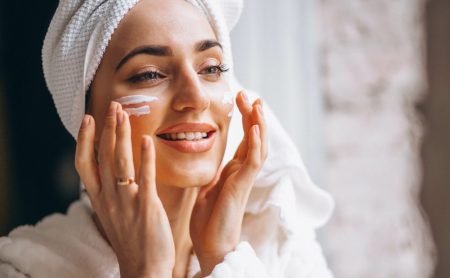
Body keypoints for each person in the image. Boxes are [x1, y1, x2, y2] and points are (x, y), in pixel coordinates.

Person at [0, 0, 334, 277]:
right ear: (88, 121)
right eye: (149, 74)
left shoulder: (284, 251)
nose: (196, 96)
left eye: (211, 69)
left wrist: (220, 261)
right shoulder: (24, 268)